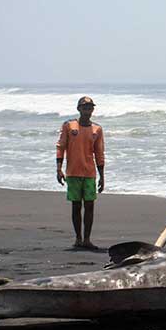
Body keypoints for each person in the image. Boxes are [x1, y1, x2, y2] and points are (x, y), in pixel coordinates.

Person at [56, 96, 106, 250]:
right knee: (76, 206)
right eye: (84, 107)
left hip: (90, 173)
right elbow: (60, 147)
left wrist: (102, 176)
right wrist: (59, 169)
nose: (87, 110)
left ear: (93, 110)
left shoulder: (97, 129)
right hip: (72, 173)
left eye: (90, 107)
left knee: (90, 206)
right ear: (79, 109)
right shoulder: (69, 126)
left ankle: (87, 239)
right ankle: (78, 238)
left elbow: (99, 153)